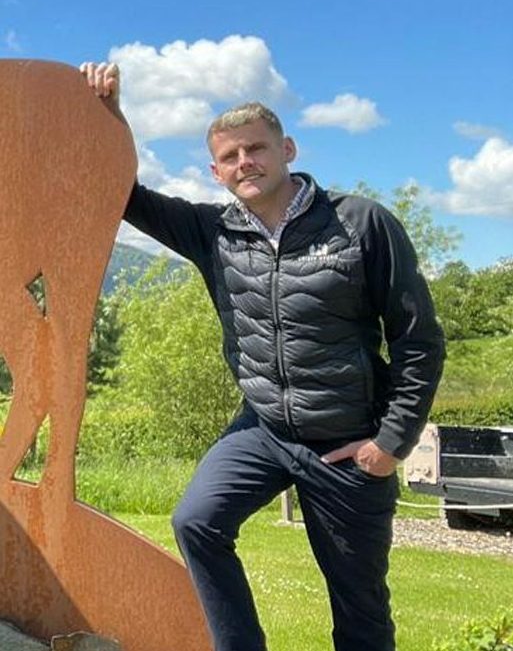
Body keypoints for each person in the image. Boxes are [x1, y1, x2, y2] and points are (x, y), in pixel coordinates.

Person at [81, 62, 445, 651]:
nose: (244, 162)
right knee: (196, 521)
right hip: (264, 428)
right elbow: (123, 192)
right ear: (215, 170)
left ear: (288, 149)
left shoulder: (360, 224)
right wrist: (109, 114)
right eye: (230, 156)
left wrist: (391, 443)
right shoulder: (213, 232)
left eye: (256, 148)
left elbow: (418, 339)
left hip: (347, 440)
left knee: (359, 608)